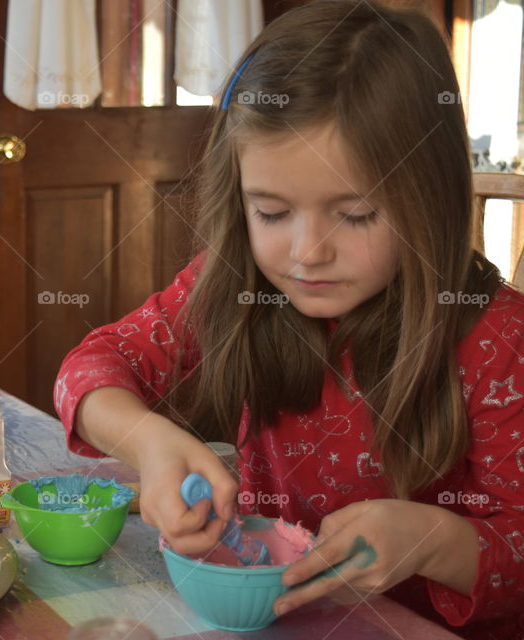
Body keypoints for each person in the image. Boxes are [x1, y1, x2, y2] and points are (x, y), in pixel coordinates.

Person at [53, 1, 524, 638]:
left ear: (429, 198)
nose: (308, 253)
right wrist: (152, 444)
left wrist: (437, 542)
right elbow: (89, 368)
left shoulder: (496, 340)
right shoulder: (235, 286)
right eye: (272, 213)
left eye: (355, 215)